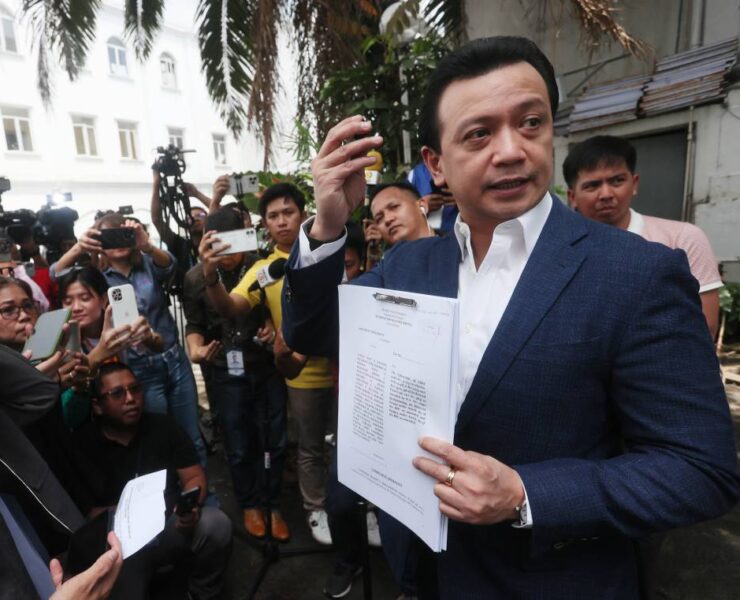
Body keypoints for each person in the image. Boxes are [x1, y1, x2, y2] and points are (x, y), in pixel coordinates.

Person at [281, 36, 739, 599]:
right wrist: (327, 225)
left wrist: (525, 494)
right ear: (436, 164)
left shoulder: (637, 273)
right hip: (422, 569)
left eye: (530, 123)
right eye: (479, 133)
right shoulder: (408, 264)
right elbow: (313, 333)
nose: (511, 150)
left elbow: (700, 469)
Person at [202, 182, 336, 545]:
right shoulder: (264, 269)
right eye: (273, 216)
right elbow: (229, 307)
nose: (282, 221)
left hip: (346, 371)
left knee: (347, 446)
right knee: (309, 448)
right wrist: (210, 275)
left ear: (304, 213)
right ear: (264, 225)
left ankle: (360, 508)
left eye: (288, 212)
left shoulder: (332, 251)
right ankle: (315, 509)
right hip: (300, 376)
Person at [51, 213, 206, 465]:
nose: (118, 242)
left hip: (172, 358)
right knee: (157, 436)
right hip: (137, 367)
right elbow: (57, 275)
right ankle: (169, 487)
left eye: (124, 234)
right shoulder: (97, 277)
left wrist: (146, 245)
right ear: (99, 243)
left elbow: (171, 266)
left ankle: (198, 485)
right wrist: (80, 247)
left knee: (191, 433)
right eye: (109, 237)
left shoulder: (147, 263)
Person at [74, 363, 232, 600]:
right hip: (118, 547)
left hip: (169, 524)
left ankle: (200, 593)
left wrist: (189, 509)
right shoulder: (83, 444)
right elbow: (86, 513)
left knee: (216, 524)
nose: (131, 399)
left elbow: (193, 477)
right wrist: (133, 515)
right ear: (97, 405)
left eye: (135, 389)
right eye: (117, 393)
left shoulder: (163, 426)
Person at [184, 207, 289, 541]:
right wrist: (195, 349)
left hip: (265, 365)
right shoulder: (195, 278)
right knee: (238, 440)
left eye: (233, 243)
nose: (227, 253)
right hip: (224, 370)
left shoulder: (260, 266)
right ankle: (250, 503)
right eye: (219, 244)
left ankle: (273, 503)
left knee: (274, 438)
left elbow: (274, 307)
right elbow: (195, 324)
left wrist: (270, 325)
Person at [563, 134, 723, 338]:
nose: (606, 194)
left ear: (634, 183)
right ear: (572, 197)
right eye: (592, 185)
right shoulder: (560, 251)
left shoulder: (683, 239)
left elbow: (705, 325)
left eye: (617, 181)